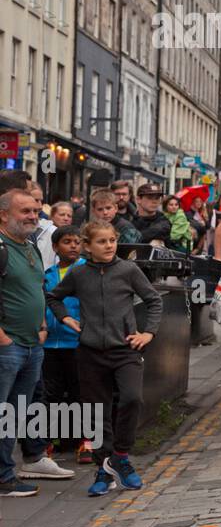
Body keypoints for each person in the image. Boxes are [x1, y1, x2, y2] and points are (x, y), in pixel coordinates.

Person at [47, 219, 163, 497]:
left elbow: (154, 300)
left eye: (112, 240)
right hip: (89, 353)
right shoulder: (78, 274)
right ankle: (103, 470)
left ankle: (120, 457)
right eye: (102, 241)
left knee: (132, 398)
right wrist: (66, 318)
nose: (109, 246)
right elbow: (53, 297)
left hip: (125, 350)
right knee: (96, 413)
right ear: (87, 246)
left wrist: (148, 333)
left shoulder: (128, 269)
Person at [1, 190, 73, 497]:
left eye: (35, 210)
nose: (33, 216)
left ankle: (15, 468)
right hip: (8, 346)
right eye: (25, 211)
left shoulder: (30, 246)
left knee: (16, 414)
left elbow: (36, 288)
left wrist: (43, 325)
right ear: (4, 215)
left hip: (32, 344)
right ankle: (3, 477)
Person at [43, 225, 92, 464]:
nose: (73, 246)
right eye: (67, 242)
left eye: (76, 241)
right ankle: (48, 441)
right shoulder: (48, 274)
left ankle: (85, 441)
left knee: (80, 393)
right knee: (50, 395)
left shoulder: (86, 271)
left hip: (77, 342)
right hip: (50, 344)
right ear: (55, 247)